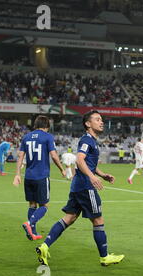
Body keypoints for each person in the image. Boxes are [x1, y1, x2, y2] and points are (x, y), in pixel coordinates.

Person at [35, 110, 124, 267]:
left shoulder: (92, 141)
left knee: (69, 218)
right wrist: (92, 177)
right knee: (98, 220)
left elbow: (90, 164)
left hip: (77, 186)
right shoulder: (87, 140)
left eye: (101, 119)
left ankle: (44, 246)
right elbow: (80, 160)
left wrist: (102, 175)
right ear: (88, 124)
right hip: (86, 187)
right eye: (97, 119)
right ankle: (104, 257)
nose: (101, 122)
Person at [13, 116, 66, 241]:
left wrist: (17, 174)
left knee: (32, 204)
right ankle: (29, 224)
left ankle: (33, 233)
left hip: (29, 176)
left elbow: (20, 156)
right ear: (47, 126)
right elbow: (53, 155)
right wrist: (61, 169)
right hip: (41, 176)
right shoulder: (47, 137)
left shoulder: (26, 137)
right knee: (44, 206)